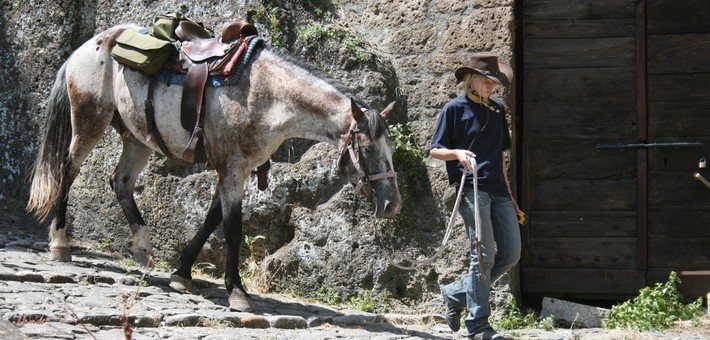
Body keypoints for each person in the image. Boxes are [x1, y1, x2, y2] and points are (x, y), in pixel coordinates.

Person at [430, 54, 521, 340]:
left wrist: (511, 195)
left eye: (495, 82)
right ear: (472, 79)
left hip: (498, 190)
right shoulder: (453, 109)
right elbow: (435, 150)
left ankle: (456, 294)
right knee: (482, 254)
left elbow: (501, 158)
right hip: (471, 189)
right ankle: (478, 326)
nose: (492, 86)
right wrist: (457, 153)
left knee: (510, 254)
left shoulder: (497, 110)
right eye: (487, 81)